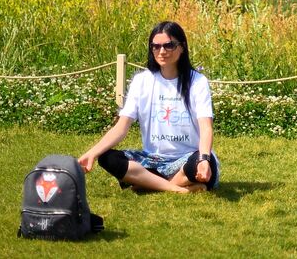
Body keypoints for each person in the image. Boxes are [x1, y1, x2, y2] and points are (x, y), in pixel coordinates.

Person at [79, 21, 218, 193]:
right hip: (152, 160)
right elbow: (121, 127)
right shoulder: (142, 81)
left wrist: (204, 158)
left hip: (187, 158)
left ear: (182, 47)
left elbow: (206, 127)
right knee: (108, 158)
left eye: (169, 45)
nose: (162, 51)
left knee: (201, 165)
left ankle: (149, 184)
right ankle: (179, 189)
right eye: (156, 46)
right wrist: (92, 153)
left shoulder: (197, 81)